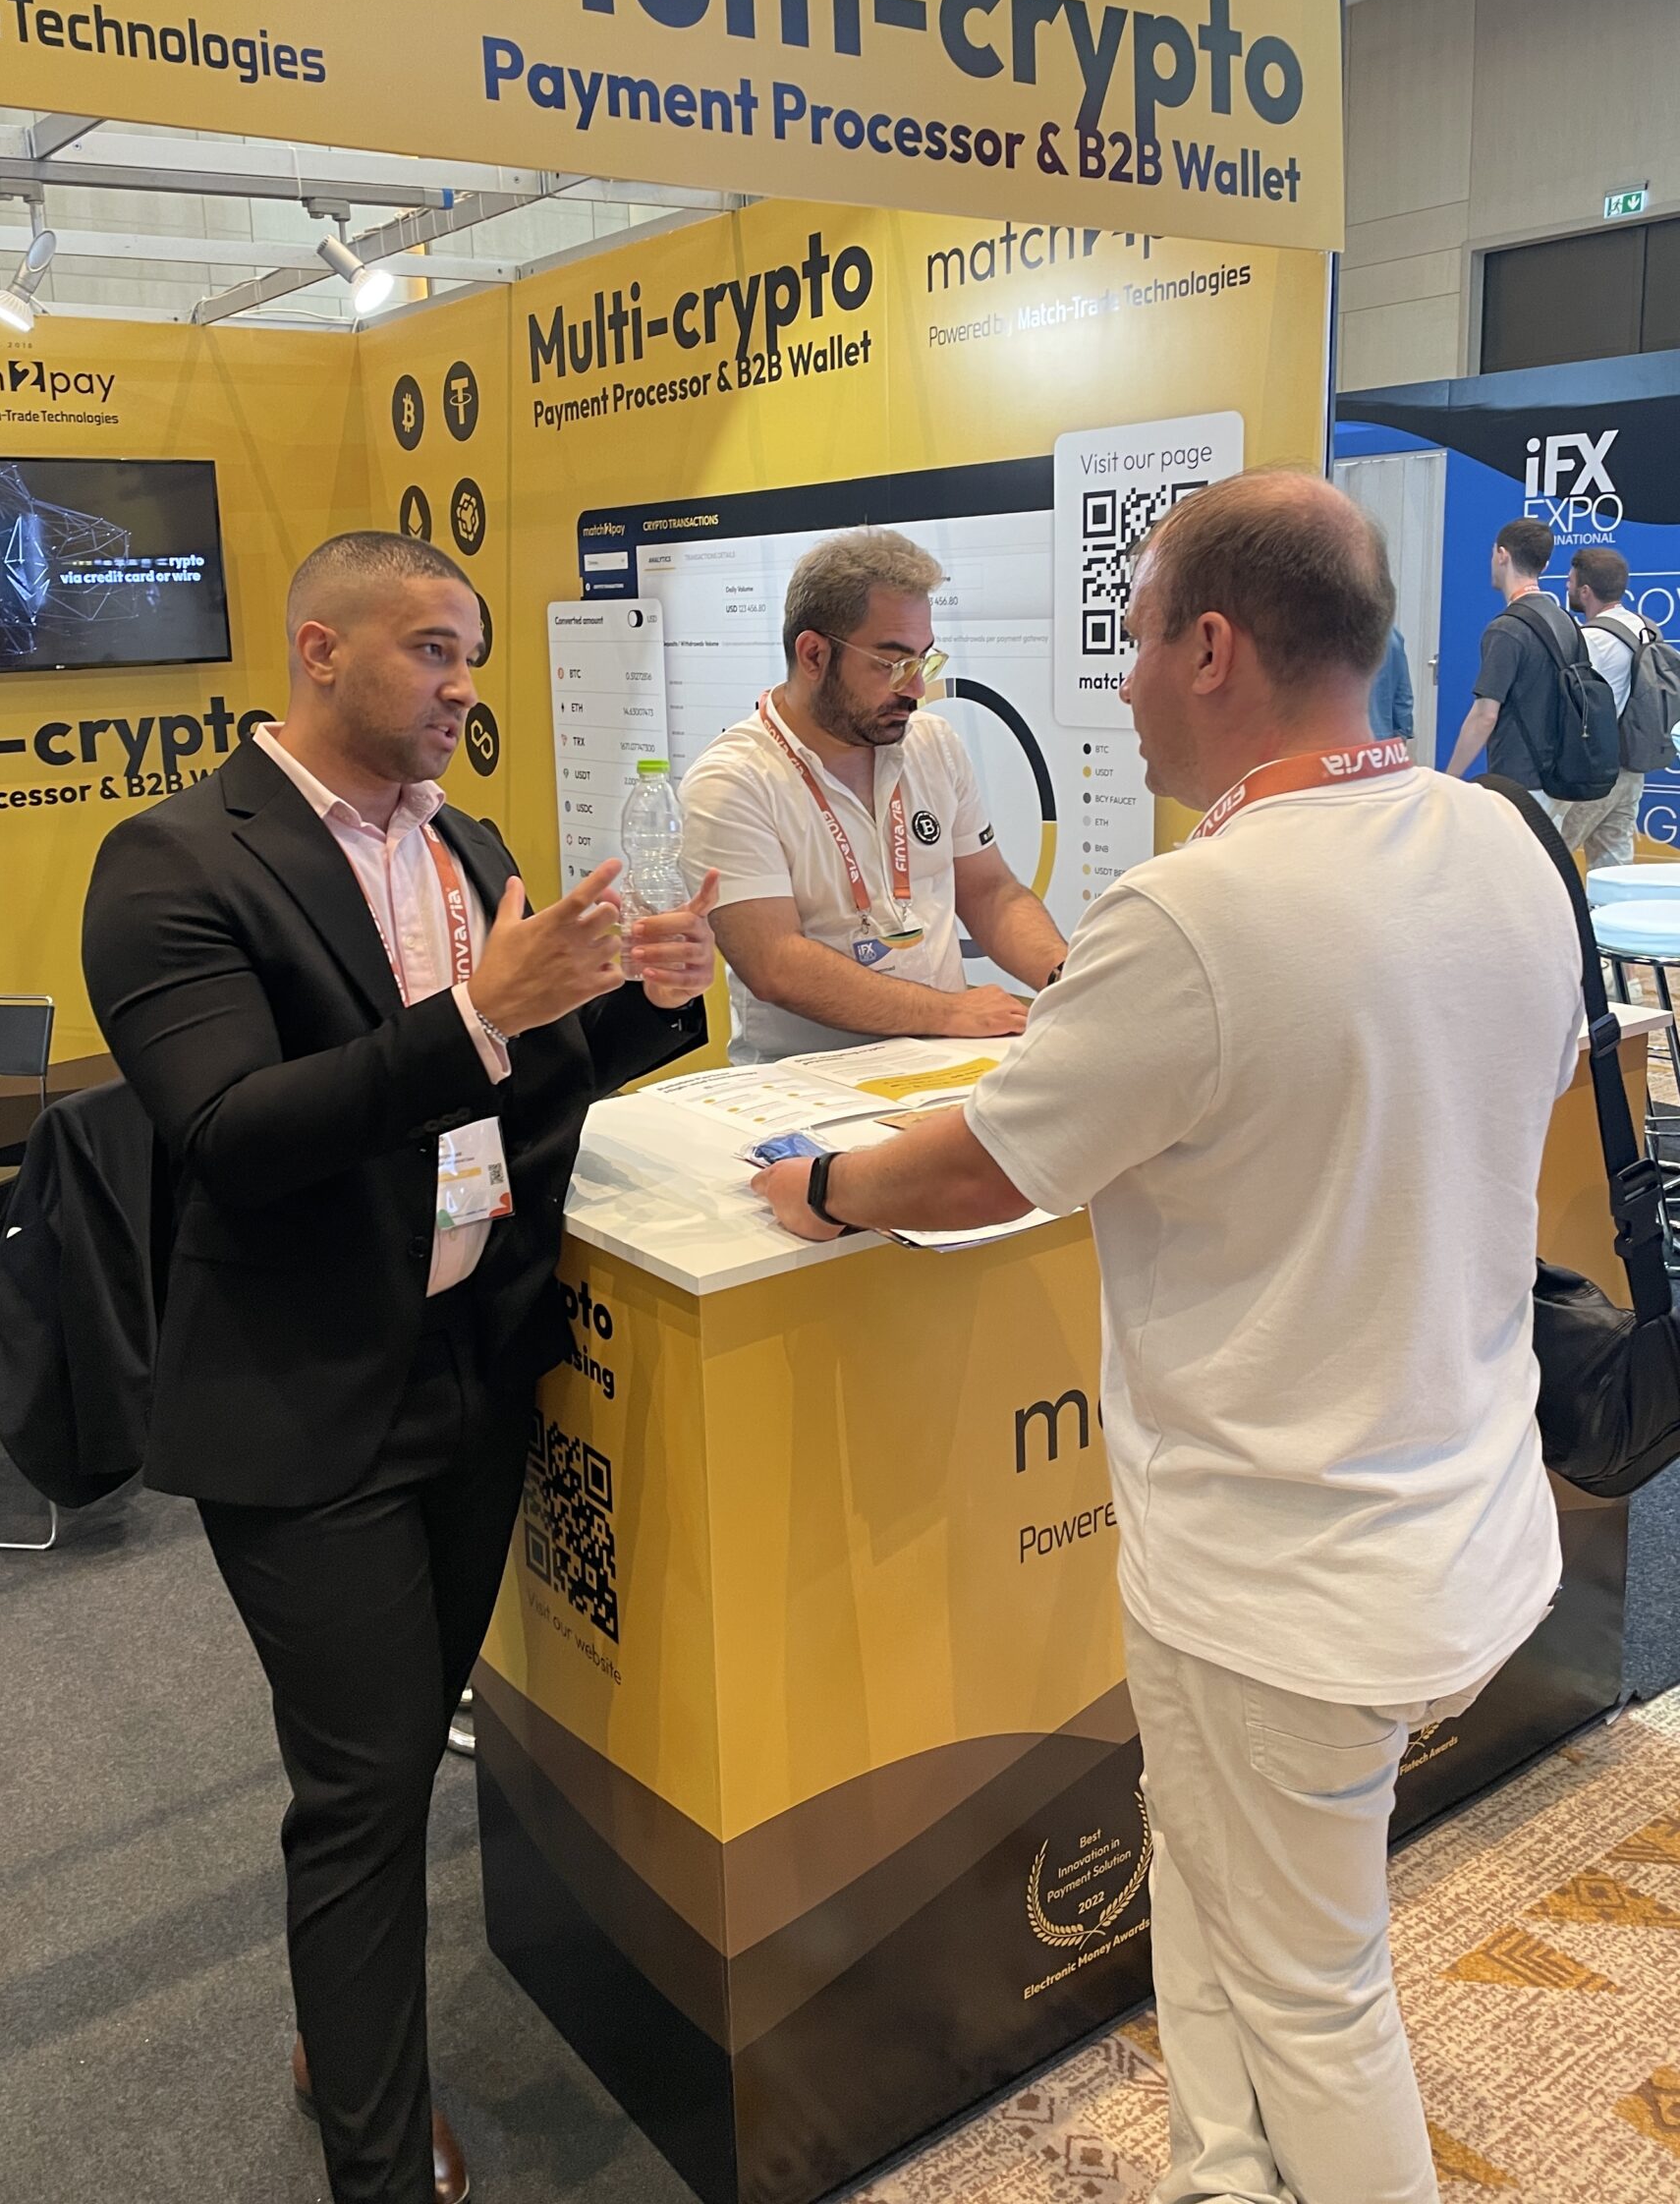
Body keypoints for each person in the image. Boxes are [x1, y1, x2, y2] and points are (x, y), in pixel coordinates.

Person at [756, 473, 1578, 2204]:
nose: (1122, 683)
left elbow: (982, 1167)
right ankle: (1223, 2173)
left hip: (1289, 1575)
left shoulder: (1198, 913)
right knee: (1201, 1867)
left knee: (1316, 1989)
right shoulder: (1504, 841)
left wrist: (824, 1185)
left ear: (1212, 649)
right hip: (1441, 1521)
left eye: (1132, 642)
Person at [82, 533, 716, 2204]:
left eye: (470, 654)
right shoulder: (173, 862)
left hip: (478, 1363)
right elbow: (233, 1133)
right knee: (363, 1788)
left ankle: (334, 2034)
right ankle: (374, 2158)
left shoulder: (464, 842)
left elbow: (520, 1084)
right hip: (308, 1398)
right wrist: (481, 1018)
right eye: (434, 648)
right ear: (320, 650)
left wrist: (641, 1004)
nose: (463, 686)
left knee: (412, 1728)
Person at [679, 528, 1065, 1061]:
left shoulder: (933, 745)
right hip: (807, 1084)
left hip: (943, 1065)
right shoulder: (733, 781)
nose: (916, 688)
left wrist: (1067, 978)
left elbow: (990, 892)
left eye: (924, 661)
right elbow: (775, 964)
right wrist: (949, 1013)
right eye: (892, 664)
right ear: (813, 655)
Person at [1441, 518, 1582, 804]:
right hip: (1560, 778)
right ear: (1544, 565)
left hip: (1518, 781)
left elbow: (1485, 716)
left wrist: (1448, 780)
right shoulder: (1566, 622)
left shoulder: (1507, 628)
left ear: (1502, 555)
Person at [1563, 543, 1648, 867]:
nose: (1567, 585)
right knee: (1613, 868)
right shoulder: (1645, 628)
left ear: (1585, 591)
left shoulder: (1591, 639)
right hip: (1633, 766)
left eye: (1571, 581)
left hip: (1596, 771)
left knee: (1548, 854)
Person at [1369, 619, 1415, 743]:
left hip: (1333, 742)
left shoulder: (1329, 633)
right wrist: (1402, 733)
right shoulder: (1391, 634)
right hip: (1382, 740)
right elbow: (1403, 693)